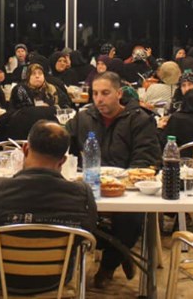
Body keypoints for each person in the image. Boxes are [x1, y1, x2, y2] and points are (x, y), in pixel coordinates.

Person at [0, 121, 98, 294]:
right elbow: (88, 232)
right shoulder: (81, 193)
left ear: (25, 149)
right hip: (55, 279)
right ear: (63, 160)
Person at [64, 71, 160, 287]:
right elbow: (62, 143)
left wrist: (121, 180)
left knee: (130, 221)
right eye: (95, 93)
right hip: (88, 188)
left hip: (125, 191)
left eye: (105, 93)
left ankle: (108, 266)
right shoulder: (83, 118)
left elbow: (145, 161)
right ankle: (121, 251)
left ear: (119, 93)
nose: (99, 99)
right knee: (64, 215)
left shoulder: (139, 120)